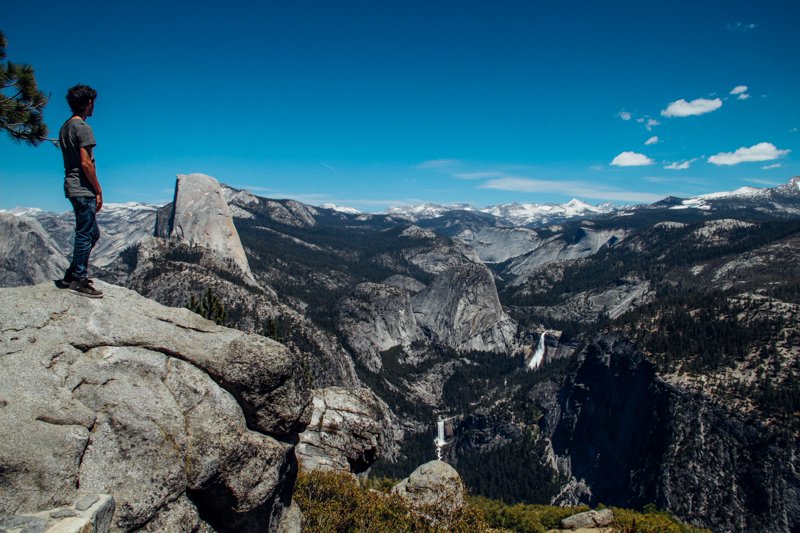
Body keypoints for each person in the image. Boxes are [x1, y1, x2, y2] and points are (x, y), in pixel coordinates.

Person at [59, 84, 103, 298]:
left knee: (92, 233)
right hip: (82, 186)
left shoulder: (65, 127)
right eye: (93, 102)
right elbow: (86, 164)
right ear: (88, 103)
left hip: (71, 185)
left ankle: (70, 275)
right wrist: (98, 189)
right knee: (85, 233)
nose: (94, 106)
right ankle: (78, 279)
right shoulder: (83, 128)